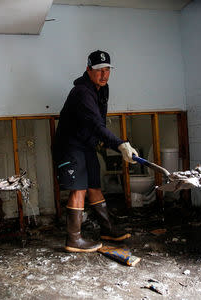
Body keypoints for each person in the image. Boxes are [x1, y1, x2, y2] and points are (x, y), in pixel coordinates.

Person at [54, 50, 139, 252]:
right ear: (88, 70)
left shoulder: (102, 89)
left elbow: (97, 122)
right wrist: (120, 144)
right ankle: (73, 239)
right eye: (99, 70)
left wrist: (106, 143)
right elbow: (95, 124)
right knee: (80, 189)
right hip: (70, 146)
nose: (104, 74)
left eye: (107, 69)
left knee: (94, 186)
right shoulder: (82, 92)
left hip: (86, 144)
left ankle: (107, 229)